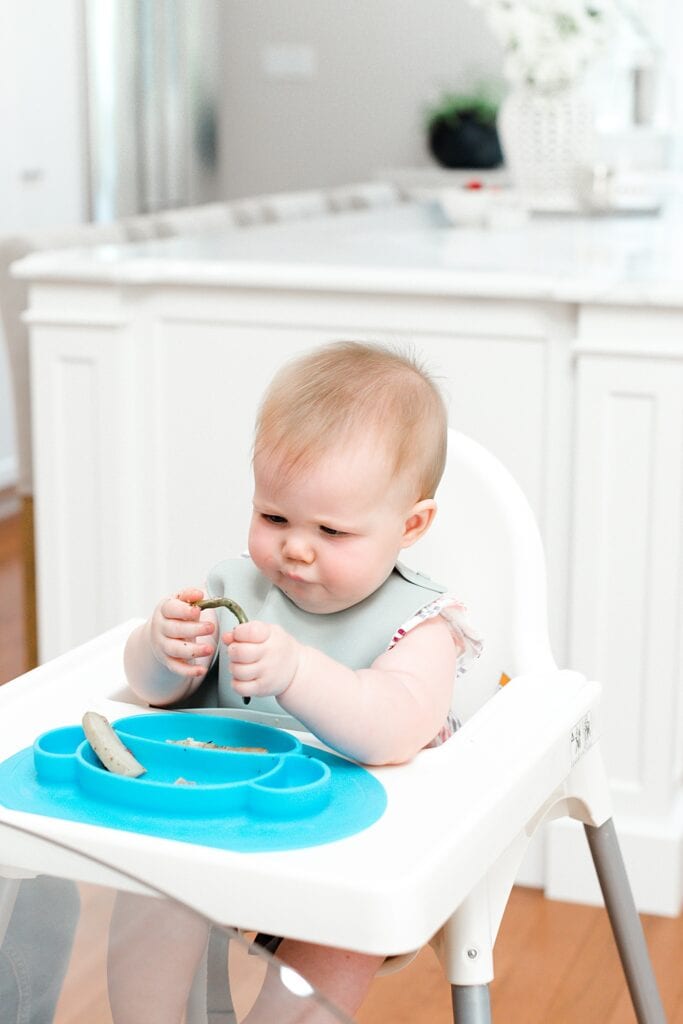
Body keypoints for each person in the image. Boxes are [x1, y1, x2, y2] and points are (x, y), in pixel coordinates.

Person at [113, 341, 481, 1023]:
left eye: (332, 529)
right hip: (210, 824)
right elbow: (149, 694)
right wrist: (161, 653)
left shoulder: (423, 624)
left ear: (411, 525)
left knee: (337, 940)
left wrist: (299, 673)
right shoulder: (233, 588)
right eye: (274, 516)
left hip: (348, 849)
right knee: (144, 900)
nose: (295, 547)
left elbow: (393, 728)